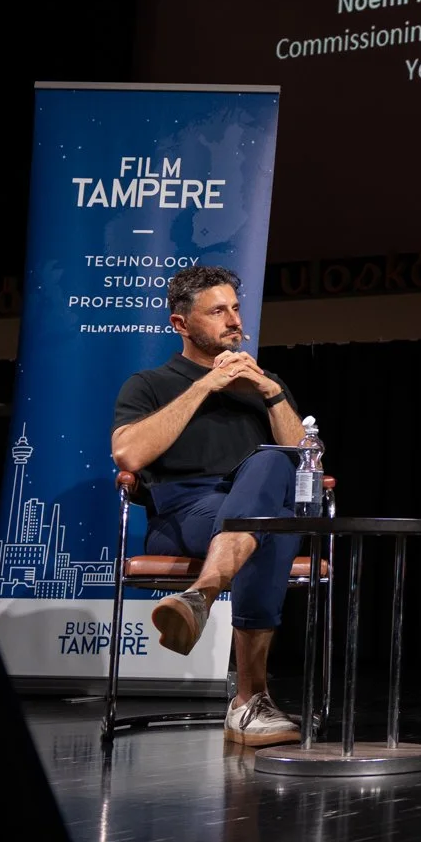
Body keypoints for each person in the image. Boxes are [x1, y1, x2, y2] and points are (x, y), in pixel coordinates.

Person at [110, 264, 308, 748]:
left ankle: (200, 595)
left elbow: (306, 460)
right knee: (268, 528)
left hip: (257, 509)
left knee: (271, 466)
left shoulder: (266, 384)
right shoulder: (149, 384)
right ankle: (250, 700)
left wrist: (271, 392)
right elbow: (129, 454)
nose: (233, 320)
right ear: (181, 325)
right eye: (218, 311)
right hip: (182, 514)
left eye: (235, 309)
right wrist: (204, 387)